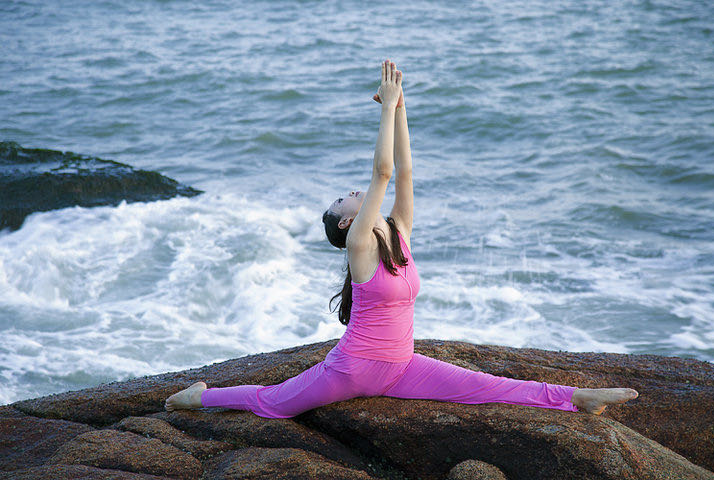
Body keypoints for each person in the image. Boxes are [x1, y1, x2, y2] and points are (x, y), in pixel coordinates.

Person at [165, 60, 638, 417]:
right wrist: (386, 107)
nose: (350, 193)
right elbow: (383, 172)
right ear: (345, 223)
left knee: (489, 385)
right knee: (274, 403)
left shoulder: (397, 233)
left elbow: (405, 175)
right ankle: (199, 397)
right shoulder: (359, 246)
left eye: (348, 193)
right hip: (349, 370)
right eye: (341, 201)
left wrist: (403, 110)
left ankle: (577, 398)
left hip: (403, 366)